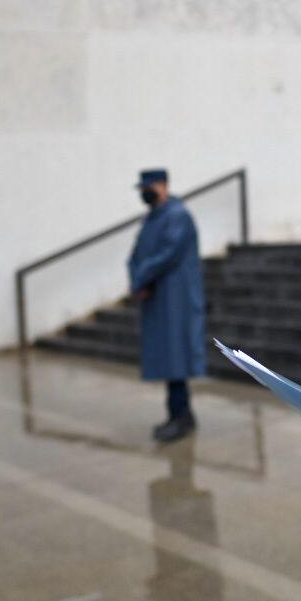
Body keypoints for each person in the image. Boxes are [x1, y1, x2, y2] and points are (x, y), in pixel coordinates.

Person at [127, 168, 207, 443]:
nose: (143, 193)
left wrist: (141, 278)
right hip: (158, 298)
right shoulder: (153, 218)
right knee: (168, 358)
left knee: (176, 360)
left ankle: (181, 417)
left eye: (147, 188)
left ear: (162, 185)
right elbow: (137, 255)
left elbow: (166, 255)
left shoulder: (177, 216)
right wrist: (138, 280)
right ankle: (179, 415)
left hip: (176, 300)